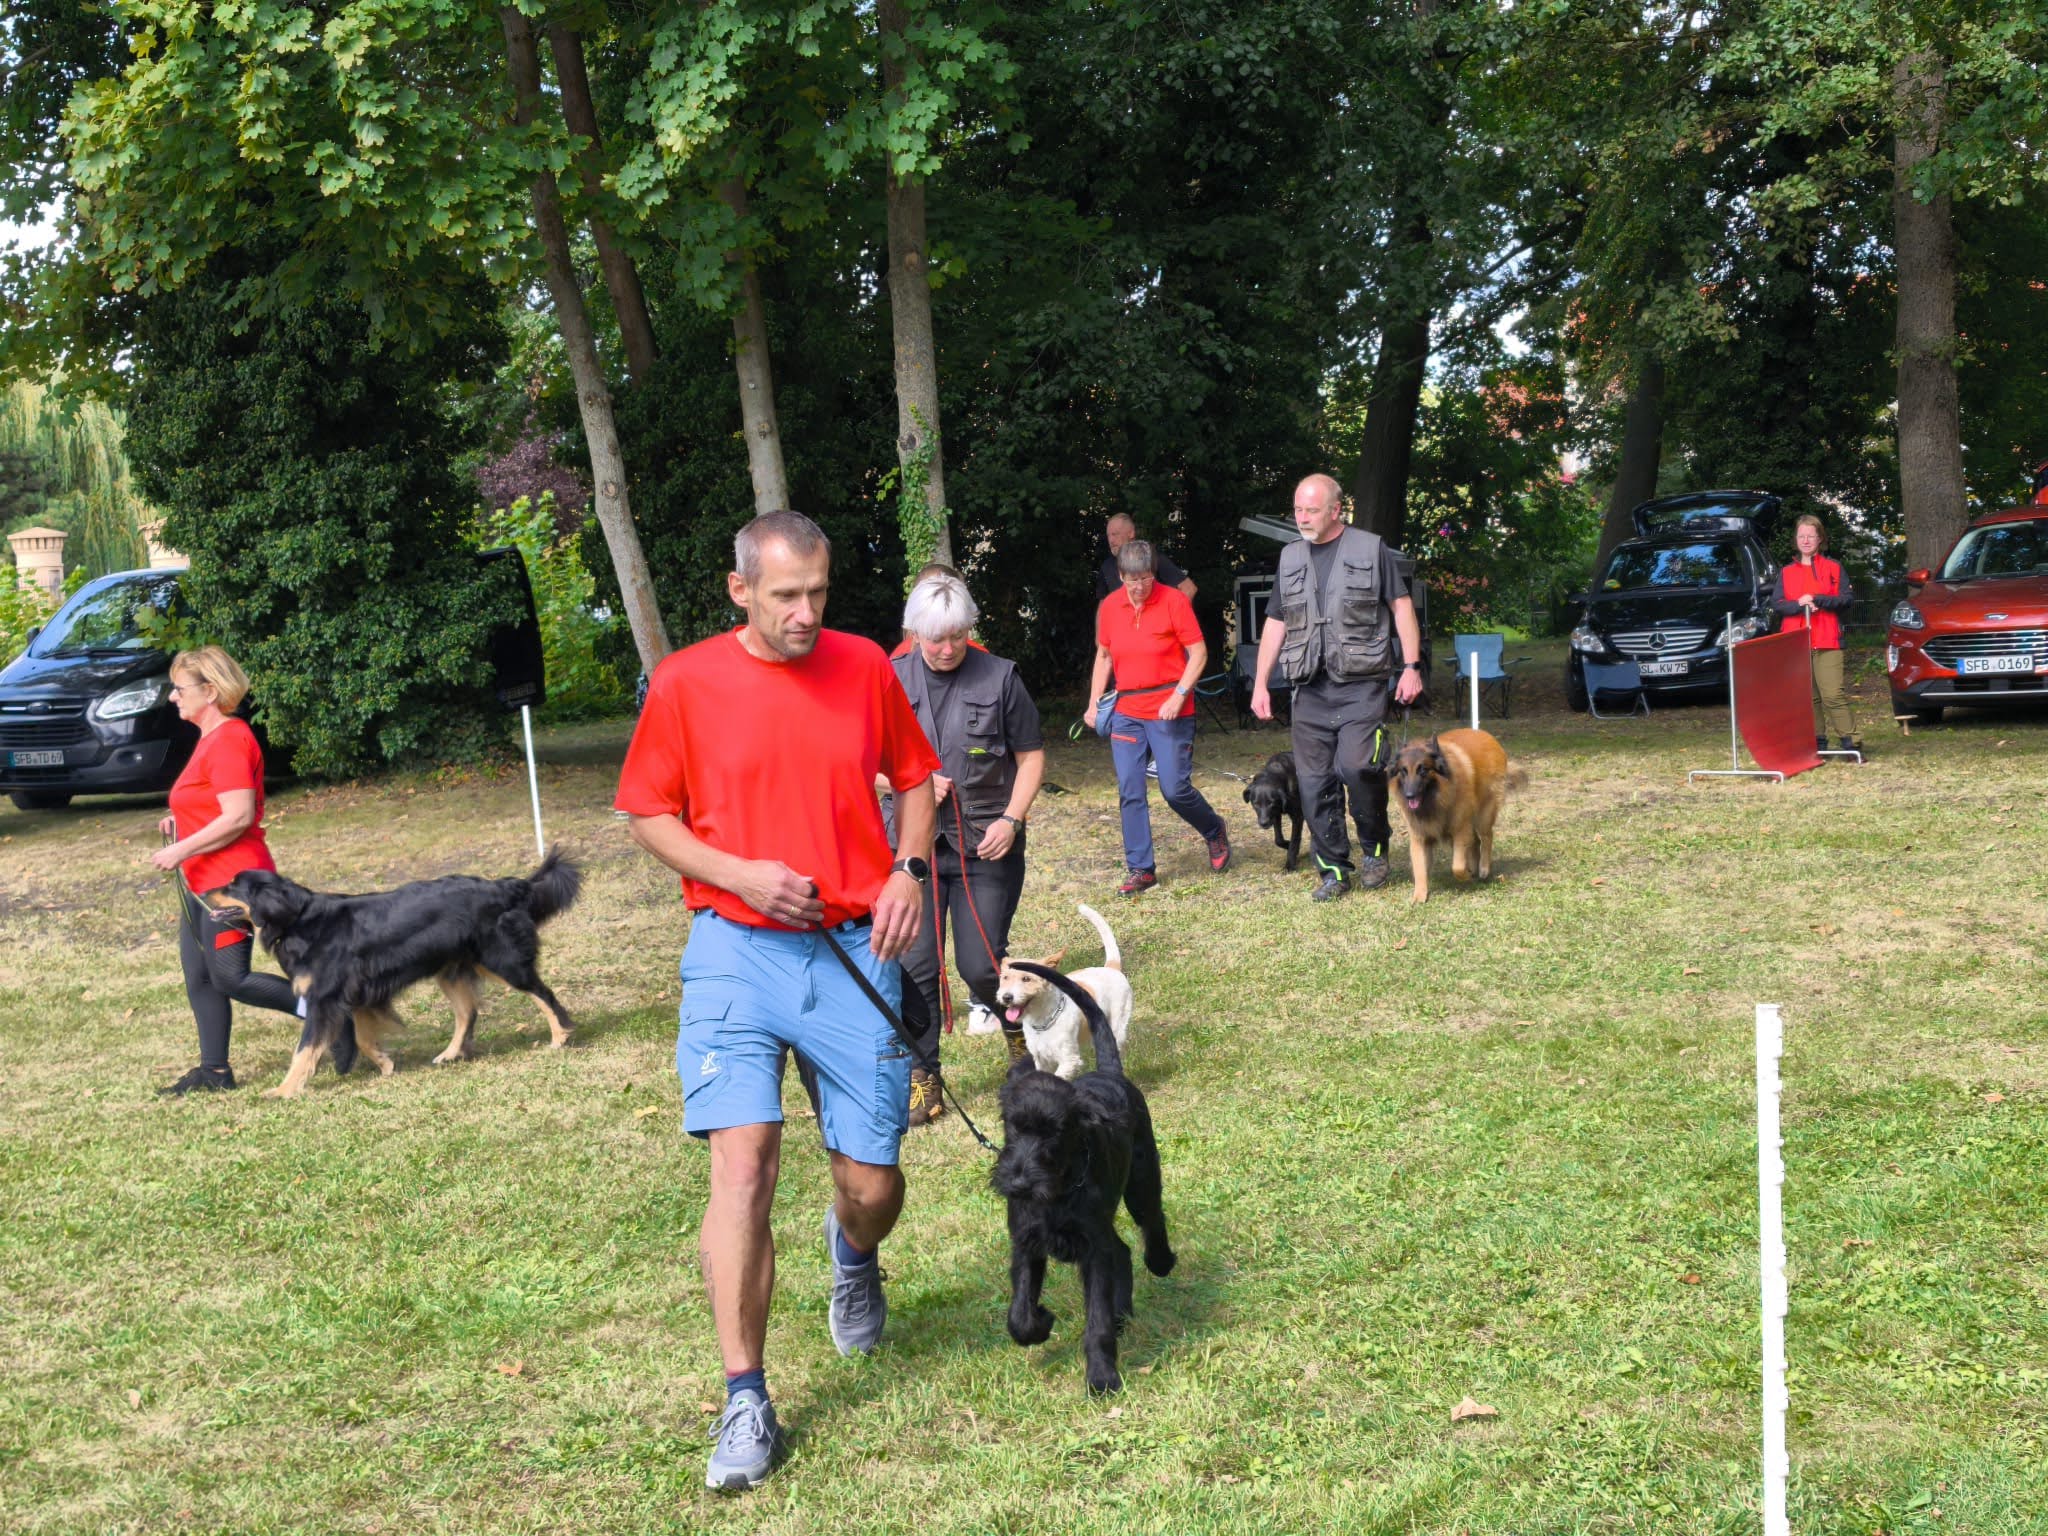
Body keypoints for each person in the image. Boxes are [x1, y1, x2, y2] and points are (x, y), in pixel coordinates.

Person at [615, 510, 940, 1493]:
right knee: (744, 1166)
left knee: (872, 1186)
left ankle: (854, 1254)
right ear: (741, 590)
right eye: (786, 595)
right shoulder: (685, 682)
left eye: (818, 594)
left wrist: (906, 871)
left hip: (852, 949)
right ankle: (745, 1396)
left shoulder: (865, 666)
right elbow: (646, 812)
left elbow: (915, 781)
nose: (806, 613)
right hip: (734, 951)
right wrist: (739, 875)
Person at [893, 574, 1046, 1122]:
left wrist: (1012, 818)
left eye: (958, 635)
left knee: (981, 965)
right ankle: (924, 1079)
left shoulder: (1001, 677)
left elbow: (1030, 756)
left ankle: (1019, 1038)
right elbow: (860, 764)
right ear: (914, 634)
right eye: (937, 638)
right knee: (915, 966)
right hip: (912, 849)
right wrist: (908, 783)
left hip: (985, 845)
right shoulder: (888, 680)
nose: (948, 648)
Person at [1250, 474, 1424, 901]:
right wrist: (1260, 683)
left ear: (1336, 510)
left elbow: (1401, 606)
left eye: (1311, 510)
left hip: (1361, 685)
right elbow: (1275, 621)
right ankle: (1333, 871)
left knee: (1358, 768)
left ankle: (1375, 848)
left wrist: (1411, 666)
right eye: (1297, 509)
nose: (1302, 517)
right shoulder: (1290, 557)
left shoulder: (1370, 548)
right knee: (1313, 783)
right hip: (1309, 689)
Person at [148, 646, 305, 1094]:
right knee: (200, 977)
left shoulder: (231, 738)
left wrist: (181, 849)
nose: (173, 697)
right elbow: (213, 802)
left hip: (234, 882)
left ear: (211, 691)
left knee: (231, 977)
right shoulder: (209, 738)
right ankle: (215, 1072)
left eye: (180, 689)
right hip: (202, 880)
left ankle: (328, 1010)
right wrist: (182, 821)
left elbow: (238, 815)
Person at [1087, 539, 1231, 896]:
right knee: (1130, 788)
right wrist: (1093, 703)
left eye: (1146, 578)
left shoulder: (1173, 601)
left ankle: (1213, 829)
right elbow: (1104, 656)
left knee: (1174, 788)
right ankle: (1141, 868)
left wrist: (1179, 695)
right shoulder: (1110, 606)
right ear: (1120, 576)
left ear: (1154, 573)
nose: (1139, 587)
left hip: (1170, 706)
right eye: (1132, 580)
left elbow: (1198, 653)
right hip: (1127, 710)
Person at [1773, 513, 1859, 754]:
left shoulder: (1833, 568)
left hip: (1827, 639)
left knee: (1832, 694)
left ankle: (1851, 741)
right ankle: (1816, 741)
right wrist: (1799, 605)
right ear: (1796, 539)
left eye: (1810, 536)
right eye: (1801, 536)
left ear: (1820, 538)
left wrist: (1818, 599)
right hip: (1796, 642)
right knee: (1808, 697)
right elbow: (1777, 604)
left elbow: (1846, 600)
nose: (1806, 540)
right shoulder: (1786, 572)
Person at [1096, 514, 1197, 602]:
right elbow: (1103, 603)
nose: (1111, 540)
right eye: (1108, 535)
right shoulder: (1106, 566)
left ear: (1131, 533)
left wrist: (1172, 616)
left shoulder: (1151, 558)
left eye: (1115, 534)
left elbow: (1189, 589)